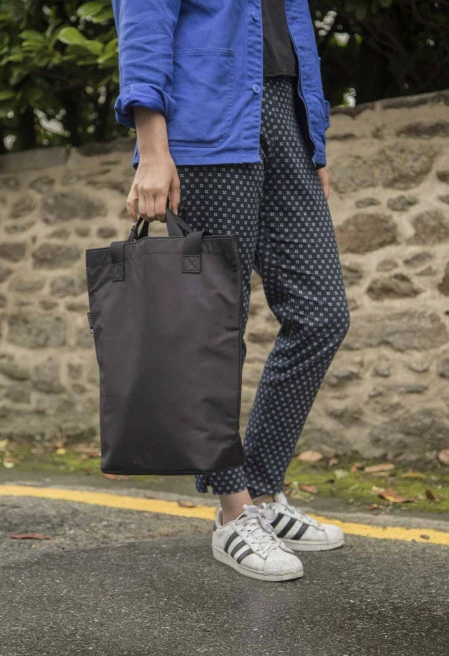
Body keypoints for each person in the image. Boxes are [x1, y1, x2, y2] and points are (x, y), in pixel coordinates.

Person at [111, 0, 351, 581]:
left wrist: (311, 141)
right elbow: (145, 18)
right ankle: (233, 510)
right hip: (206, 123)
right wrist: (153, 148)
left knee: (322, 313)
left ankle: (263, 491)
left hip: (287, 122)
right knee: (214, 330)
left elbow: (290, 31)